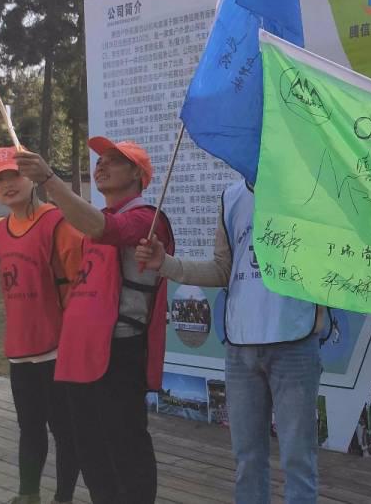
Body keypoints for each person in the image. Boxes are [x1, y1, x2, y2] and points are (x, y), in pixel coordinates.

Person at [135, 179, 324, 504]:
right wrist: (164, 263)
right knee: (247, 459)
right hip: (241, 346)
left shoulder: (309, 187)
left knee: (298, 460)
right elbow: (223, 269)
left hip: (294, 341)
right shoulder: (232, 197)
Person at [15, 138, 174, 504]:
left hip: (119, 351)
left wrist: (49, 180)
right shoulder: (96, 221)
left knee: (124, 447)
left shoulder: (147, 218)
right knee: (90, 450)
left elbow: (108, 230)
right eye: (99, 159)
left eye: (114, 160)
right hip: (80, 351)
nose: (101, 165)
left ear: (137, 173)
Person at [0, 148, 82, 504]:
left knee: (65, 431)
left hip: (57, 348)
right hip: (20, 351)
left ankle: (63, 498)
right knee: (29, 427)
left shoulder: (58, 223)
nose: (8, 184)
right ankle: (28, 494)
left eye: (15, 174)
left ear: (31, 176)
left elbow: (78, 284)